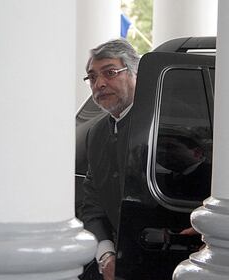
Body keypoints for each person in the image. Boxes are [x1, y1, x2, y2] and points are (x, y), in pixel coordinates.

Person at [78, 38, 140, 280]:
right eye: (92, 77)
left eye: (110, 73)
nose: (99, 84)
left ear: (136, 74)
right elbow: (91, 204)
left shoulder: (159, 123)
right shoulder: (96, 133)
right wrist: (105, 254)